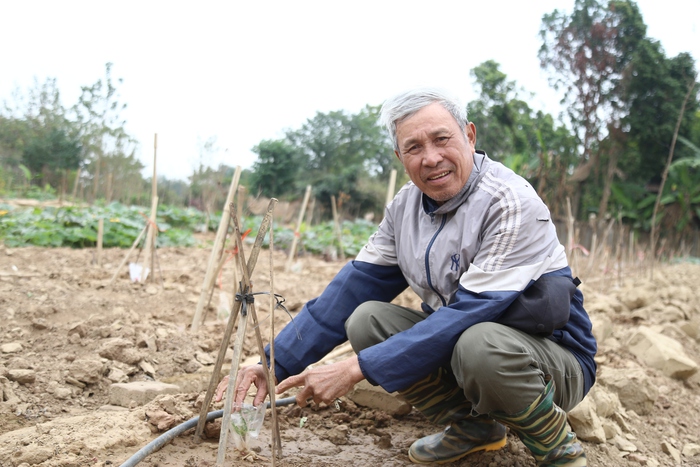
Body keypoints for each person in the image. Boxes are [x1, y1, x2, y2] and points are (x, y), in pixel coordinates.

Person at [216, 87, 597, 466]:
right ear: (400, 156)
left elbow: (472, 313)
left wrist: (356, 368)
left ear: (469, 135)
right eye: (414, 147)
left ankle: (558, 449)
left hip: (549, 360)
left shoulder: (510, 203)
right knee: (366, 320)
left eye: (442, 139)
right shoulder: (405, 207)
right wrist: (274, 363)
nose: (431, 158)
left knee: (479, 343)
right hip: (464, 348)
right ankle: (473, 428)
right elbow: (353, 289)